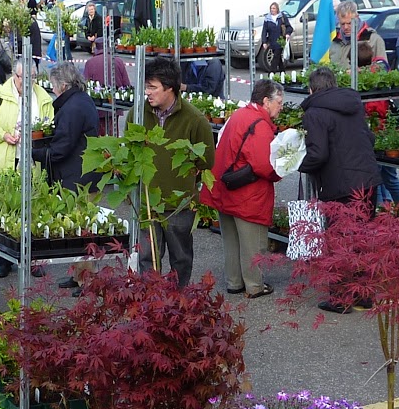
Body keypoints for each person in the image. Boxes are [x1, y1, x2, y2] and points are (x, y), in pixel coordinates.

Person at [299, 64, 379, 311]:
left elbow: (319, 153)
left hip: (340, 185)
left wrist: (297, 163)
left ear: (312, 89)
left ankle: (341, 299)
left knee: (339, 241)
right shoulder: (353, 105)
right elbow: (370, 138)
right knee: (362, 239)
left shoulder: (314, 113)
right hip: (368, 180)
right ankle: (364, 295)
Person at [201, 80, 284, 298]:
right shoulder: (260, 125)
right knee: (253, 244)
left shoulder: (237, 115)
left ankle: (234, 282)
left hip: (225, 187)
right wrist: (280, 172)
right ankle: (255, 286)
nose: (281, 107)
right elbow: (264, 165)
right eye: (279, 102)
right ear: (266, 101)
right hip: (248, 195)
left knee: (231, 241)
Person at [0, 57, 56, 276]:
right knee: (3, 212)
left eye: (33, 78)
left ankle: (32, 259)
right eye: (24, 78)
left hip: (31, 163)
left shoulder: (43, 97)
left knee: (32, 211)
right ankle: (3, 260)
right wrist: (2, 135)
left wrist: (39, 136)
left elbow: (49, 127)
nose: (28, 83)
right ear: (15, 75)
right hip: (2, 161)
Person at [142, 57, 214, 287]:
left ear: (170, 87)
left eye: (153, 87)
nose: (148, 92)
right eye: (146, 86)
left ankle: (177, 303)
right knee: (147, 257)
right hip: (147, 200)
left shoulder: (195, 120)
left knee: (180, 257)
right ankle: (150, 306)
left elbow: (207, 160)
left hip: (179, 202)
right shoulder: (139, 114)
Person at [38, 61, 99, 190]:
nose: (53, 89)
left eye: (54, 85)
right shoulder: (83, 99)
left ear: (63, 86)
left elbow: (61, 149)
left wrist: (33, 152)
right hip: (86, 174)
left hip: (75, 179)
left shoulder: (71, 108)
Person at [324, 2, 385, 68]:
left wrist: (359, 72)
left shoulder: (373, 39)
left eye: (349, 23)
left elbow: (383, 67)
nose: (346, 27)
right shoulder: (335, 41)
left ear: (357, 18)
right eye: (342, 24)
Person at [256, 2, 292, 72]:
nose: (272, 10)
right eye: (271, 8)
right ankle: (282, 72)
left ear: (277, 9)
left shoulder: (282, 17)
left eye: (274, 8)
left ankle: (272, 72)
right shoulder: (267, 19)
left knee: (276, 56)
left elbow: (289, 27)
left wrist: (287, 33)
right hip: (272, 41)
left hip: (281, 40)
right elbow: (264, 31)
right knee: (278, 59)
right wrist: (264, 42)